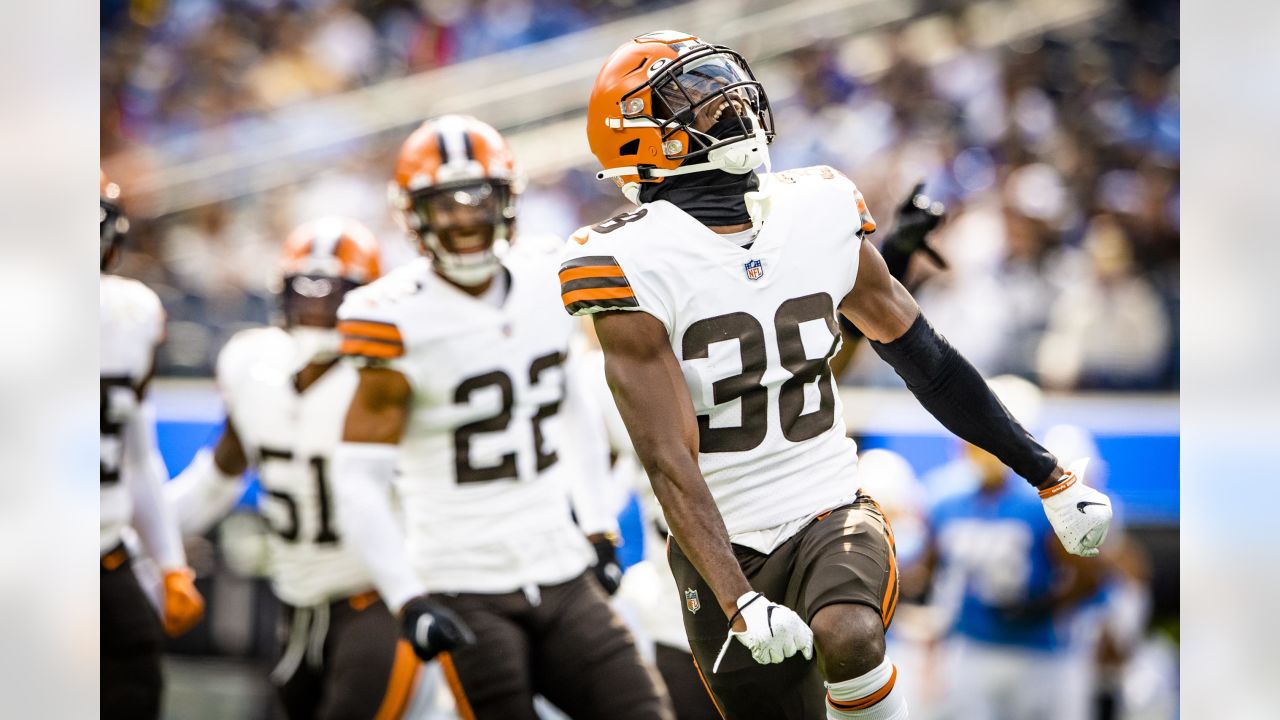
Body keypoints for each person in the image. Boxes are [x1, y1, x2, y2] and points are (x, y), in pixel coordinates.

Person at [561, 31, 1113, 720]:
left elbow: (924, 357)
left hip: (826, 503)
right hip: (718, 547)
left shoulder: (814, 208)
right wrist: (738, 599)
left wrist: (1047, 472)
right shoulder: (627, 262)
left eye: (722, 86)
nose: (725, 105)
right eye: (692, 100)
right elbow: (669, 460)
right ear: (637, 135)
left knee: (847, 633)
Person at [332, 115, 672, 720]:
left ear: (509, 200)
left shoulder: (549, 275)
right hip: (461, 580)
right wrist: (407, 598)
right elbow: (357, 477)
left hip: (559, 566)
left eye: (480, 199)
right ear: (414, 215)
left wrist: (596, 526)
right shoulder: (393, 318)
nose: (465, 219)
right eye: (446, 205)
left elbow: (572, 404)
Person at [165, 218, 443, 719]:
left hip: (377, 600)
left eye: (332, 293)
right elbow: (216, 482)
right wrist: (139, 534)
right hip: (295, 604)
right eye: (303, 291)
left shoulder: (385, 377)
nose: (315, 307)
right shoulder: (252, 364)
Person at [100, 169, 205, 720]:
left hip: (104, 555)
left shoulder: (130, 314)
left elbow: (138, 456)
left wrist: (169, 563)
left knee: (138, 693)